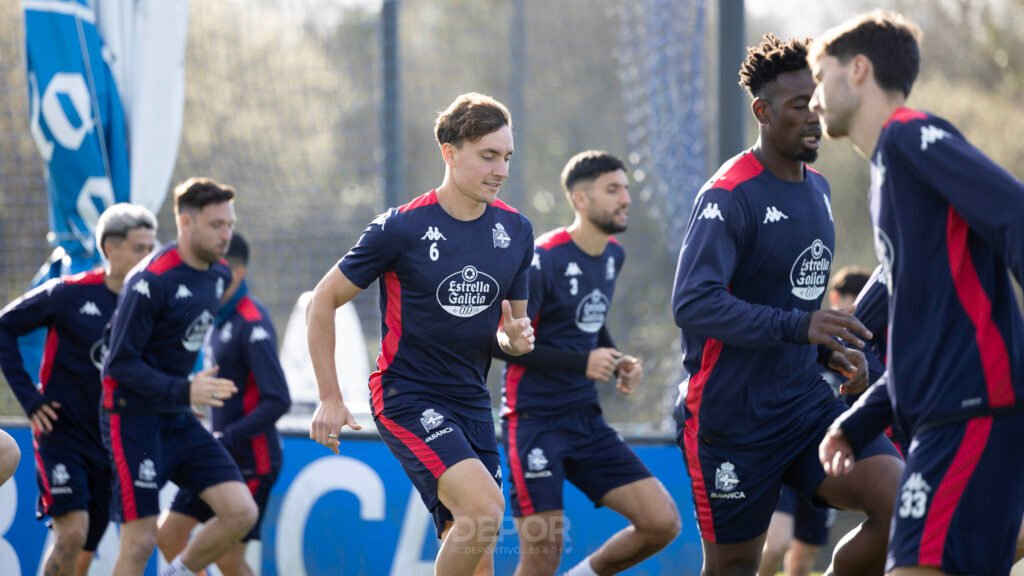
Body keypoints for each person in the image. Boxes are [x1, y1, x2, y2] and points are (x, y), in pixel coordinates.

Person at [672, 34, 903, 575]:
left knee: (903, 505)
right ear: (762, 110)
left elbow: (794, 305)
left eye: (816, 101)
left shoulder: (818, 189)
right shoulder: (727, 195)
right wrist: (801, 327)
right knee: (735, 568)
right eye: (799, 106)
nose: (814, 116)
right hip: (731, 422)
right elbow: (693, 304)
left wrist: (832, 352)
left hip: (805, 407)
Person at [809, 11, 1024, 574]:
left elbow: (1015, 214)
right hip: (947, 418)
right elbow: (917, 335)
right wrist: (853, 424)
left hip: (970, 413)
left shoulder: (910, 135)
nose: (813, 99)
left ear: (857, 70)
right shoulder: (890, 173)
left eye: (819, 75)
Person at [306, 92, 535, 576]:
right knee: (486, 511)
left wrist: (516, 341)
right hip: (407, 395)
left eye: (507, 156)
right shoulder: (401, 228)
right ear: (450, 153)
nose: (502, 170)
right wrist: (330, 396)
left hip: (472, 402)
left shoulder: (515, 230)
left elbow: (509, 331)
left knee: (479, 553)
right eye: (488, 155)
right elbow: (321, 301)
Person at [492, 151, 680, 576]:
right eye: (612, 190)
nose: (625, 198)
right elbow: (501, 344)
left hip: (586, 420)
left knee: (661, 523)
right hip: (534, 421)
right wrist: (582, 363)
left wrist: (614, 360)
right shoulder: (543, 260)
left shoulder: (613, 255)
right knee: (542, 557)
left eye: (626, 188)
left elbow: (588, 322)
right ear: (580, 200)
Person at [101, 178, 258, 576]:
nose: (226, 235)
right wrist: (186, 388)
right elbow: (117, 364)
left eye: (229, 224)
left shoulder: (219, 276)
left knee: (241, 512)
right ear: (185, 224)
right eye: (215, 225)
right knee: (138, 544)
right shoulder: (150, 281)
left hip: (179, 417)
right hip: (133, 419)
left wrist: (188, 389)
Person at [0, 203, 157, 576]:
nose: (148, 258)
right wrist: (30, 399)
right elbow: (4, 326)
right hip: (62, 437)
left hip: (112, 443)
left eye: (152, 249)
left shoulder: (150, 306)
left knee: (81, 554)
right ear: (109, 249)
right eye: (139, 248)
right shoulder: (68, 293)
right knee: (71, 535)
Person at [156, 233, 291, 576]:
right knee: (168, 534)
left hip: (252, 460)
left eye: (220, 267)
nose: (211, 274)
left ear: (239, 272)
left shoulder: (252, 321)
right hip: (217, 453)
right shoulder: (213, 315)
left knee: (229, 560)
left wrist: (228, 435)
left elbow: (278, 399)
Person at [760, 265, 870, 576]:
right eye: (851, 300)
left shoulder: (861, 347)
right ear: (835, 297)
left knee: (802, 561)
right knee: (777, 544)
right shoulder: (807, 332)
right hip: (786, 453)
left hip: (823, 459)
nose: (853, 310)